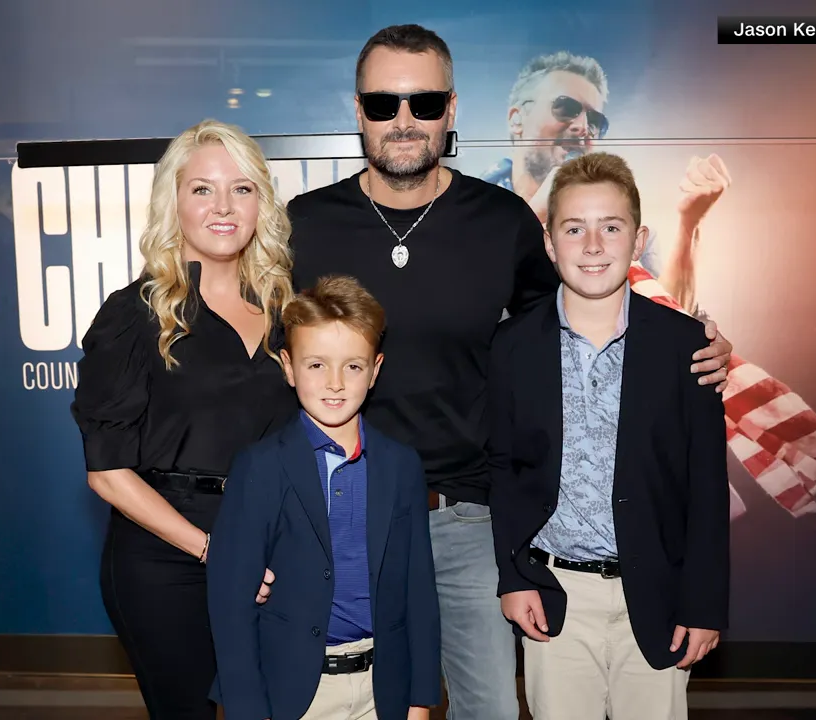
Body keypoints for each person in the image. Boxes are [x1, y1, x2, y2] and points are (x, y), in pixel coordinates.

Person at [283, 24, 733, 719]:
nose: (405, 121)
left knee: (489, 708)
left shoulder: (504, 222)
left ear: (453, 110)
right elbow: (262, 358)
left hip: (464, 521)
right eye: (384, 104)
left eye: (425, 103)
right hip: (345, 512)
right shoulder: (304, 225)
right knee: (348, 706)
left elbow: (579, 324)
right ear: (358, 110)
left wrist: (690, 336)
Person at [488, 152, 730, 720]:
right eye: (574, 229)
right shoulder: (513, 347)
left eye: (611, 227)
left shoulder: (686, 346)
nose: (593, 245)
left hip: (659, 596)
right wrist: (513, 576)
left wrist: (704, 604)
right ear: (549, 243)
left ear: (638, 238)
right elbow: (504, 471)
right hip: (555, 597)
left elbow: (706, 487)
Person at [69, 119, 298, 719]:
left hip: (274, 551)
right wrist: (213, 551)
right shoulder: (133, 316)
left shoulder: (289, 310)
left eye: (242, 189)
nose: (223, 207)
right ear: (174, 200)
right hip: (167, 560)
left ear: (262, 203)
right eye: (202, 189)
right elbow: (108, 473)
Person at [207, 275, 442, 720]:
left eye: (352, 366)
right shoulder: (259, 467)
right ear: (288, 367)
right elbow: (230, 607)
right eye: (316, 365)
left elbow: (419, 590)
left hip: (383, 691)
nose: (335, 382)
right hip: (294, 696)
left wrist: (420, 699)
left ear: (375, 371)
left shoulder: (400, 465)